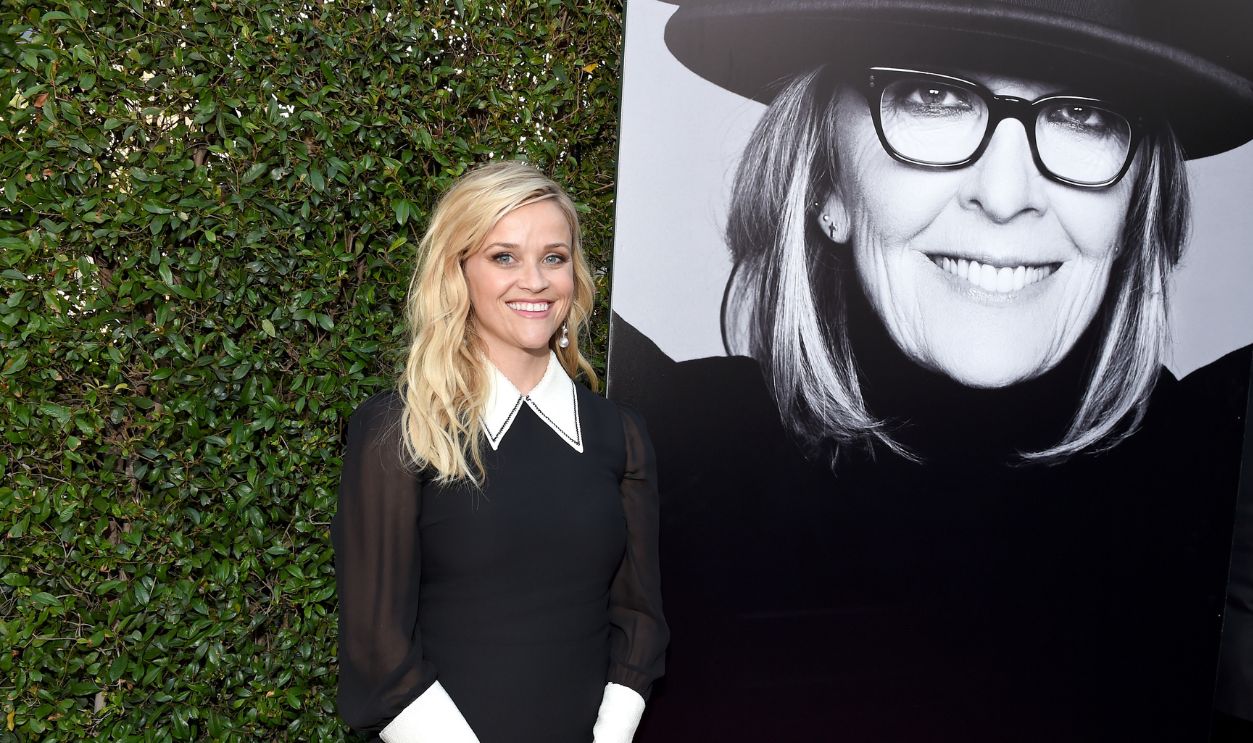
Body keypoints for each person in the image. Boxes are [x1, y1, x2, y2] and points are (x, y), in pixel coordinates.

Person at [608, 1, 1253, 740]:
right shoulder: (643, 449)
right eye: (931, 96)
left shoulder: (1220, 487)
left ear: (1136, 199)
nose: (1005, 197)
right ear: (826, 180)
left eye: (1083, 115)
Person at [334, 161, 667, 743]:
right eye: (504, 257)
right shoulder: (400, 429)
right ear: (458, 273)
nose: (534, 281)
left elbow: (640, 622)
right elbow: (378, 651)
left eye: (554, 257)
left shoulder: (621, 434)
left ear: (575, 275)